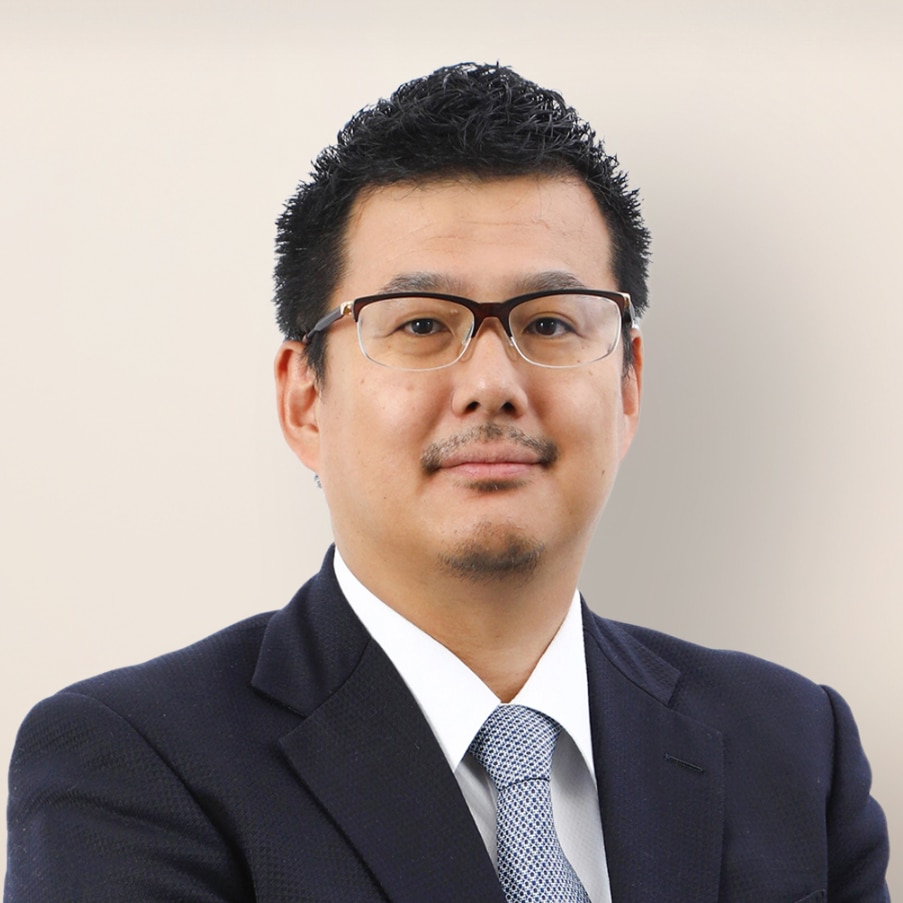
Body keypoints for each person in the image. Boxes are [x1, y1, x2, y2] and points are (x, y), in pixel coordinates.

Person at [4, 63, 889, 903]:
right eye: (423, 325)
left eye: (549, 323)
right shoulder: (133, 764)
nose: (492, 382)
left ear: (627, 387)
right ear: (306, 399)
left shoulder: (793, 745)